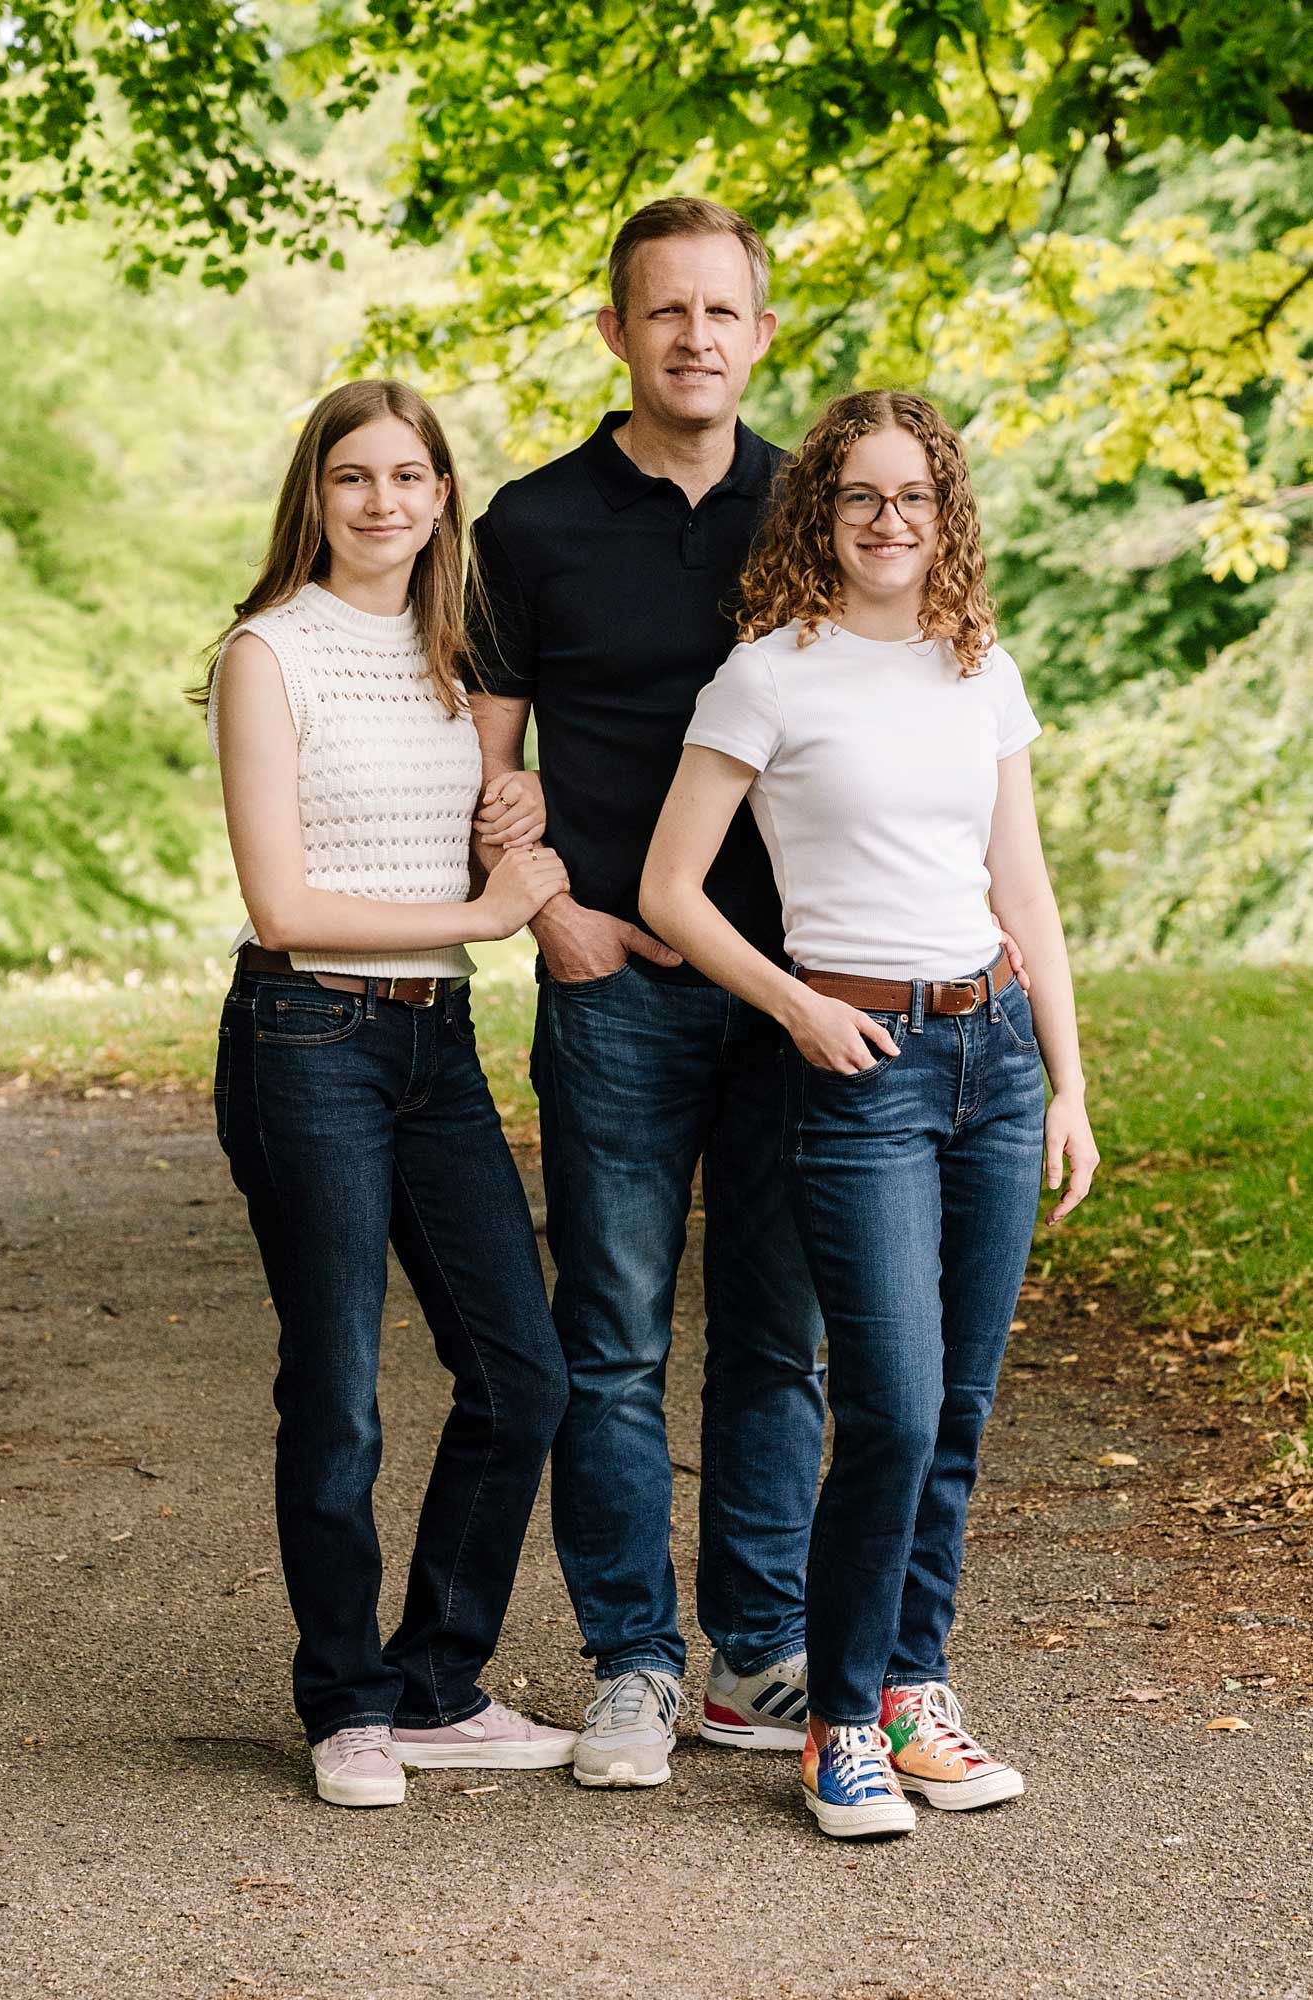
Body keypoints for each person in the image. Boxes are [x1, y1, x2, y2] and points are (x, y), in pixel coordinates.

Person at [641, 389, 1099, 1838]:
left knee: (956, 1411)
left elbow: (1021, 894)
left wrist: (1070, 1085)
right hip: (858, 1069)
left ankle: (912, 1689)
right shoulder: (769, 677)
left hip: (995, 1054)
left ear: (944, 513)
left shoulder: (981, 670)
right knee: (890, 1412)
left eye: (913, 497)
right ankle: (835, 1723)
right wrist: (792, 1005)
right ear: (819, 516)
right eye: (859, 499)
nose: (888, 522)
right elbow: (665, 892)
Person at [465, 199, 828, 1787]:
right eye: (661, 311)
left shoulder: (816, 516)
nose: (694, 337)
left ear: (760, 332)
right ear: (612, 333)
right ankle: (630, 1664)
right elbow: (475, 767)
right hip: (612, 990)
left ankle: (754, 1660)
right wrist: (556, 919)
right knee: (608, 1339)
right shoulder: (530, 527)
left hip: (799, 991)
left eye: (721, 312)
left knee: (779, 1337)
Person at [199, 378, 577, 1807]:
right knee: (339, 1388)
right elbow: (281, 900)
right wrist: (484, 913)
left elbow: (476, 808)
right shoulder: (265, 654)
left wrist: (514, 809)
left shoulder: (447, 658)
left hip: (435, 1046)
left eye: (408, 477)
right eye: (352, 477)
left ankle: (433, 1682)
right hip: (307, 1041)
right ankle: (345, 1704)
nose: (382, 502)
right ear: (316, 495)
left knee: (522, 1373)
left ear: (440, 499)